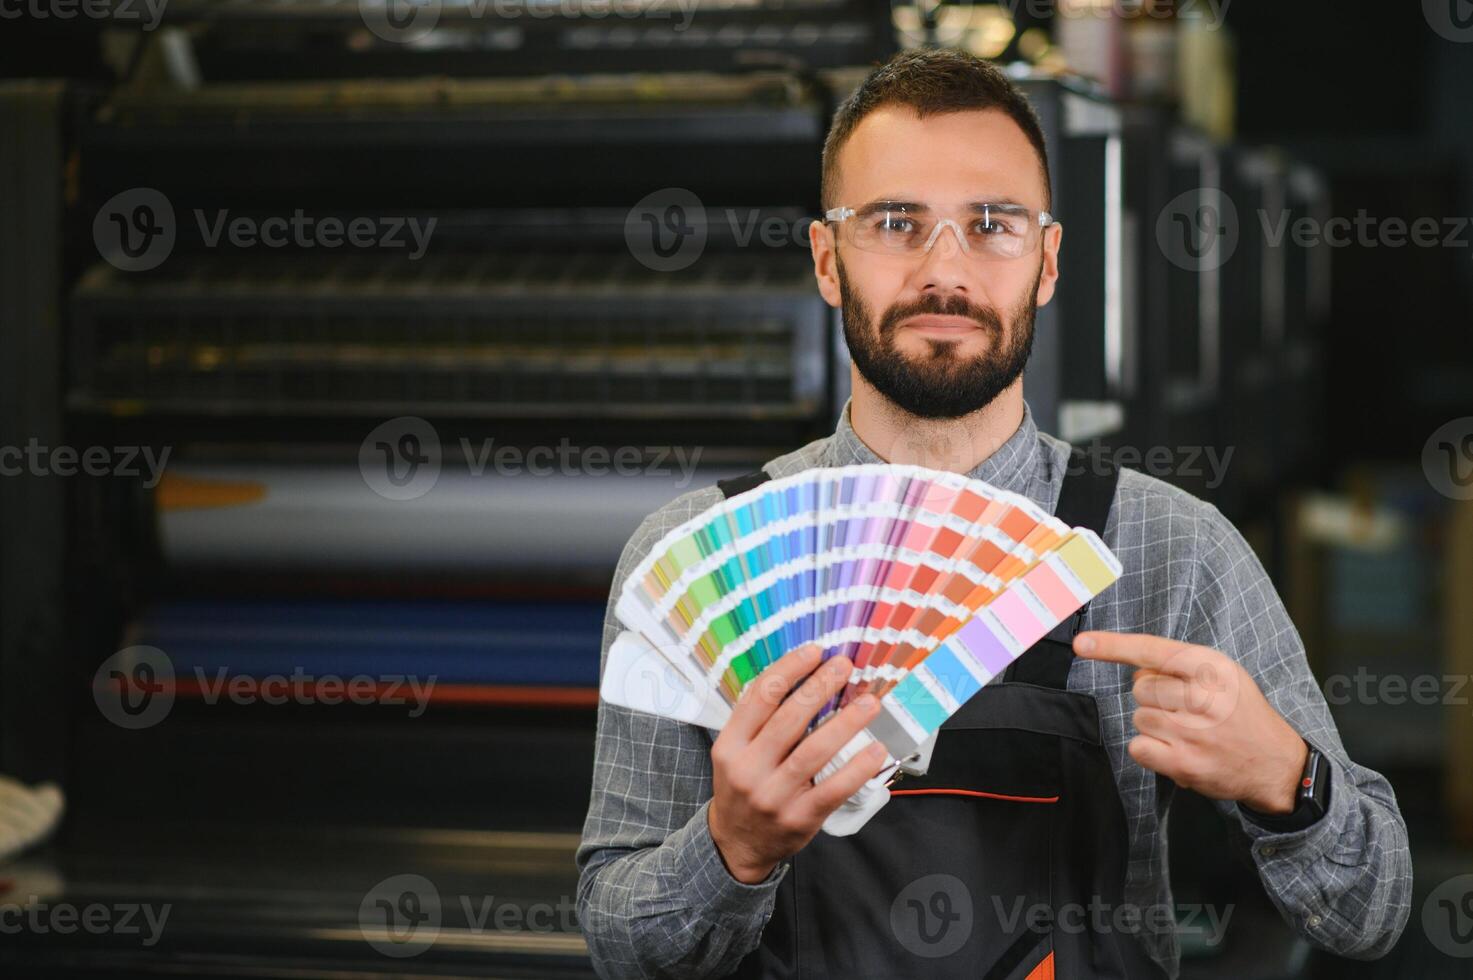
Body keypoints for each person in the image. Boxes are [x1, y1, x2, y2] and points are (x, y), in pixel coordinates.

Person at [576, 48, 1411, 979]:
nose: (945, 272)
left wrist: (1286, 783)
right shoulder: (697, 562)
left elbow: (1369, 914)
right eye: (895, 222)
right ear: (825, 258)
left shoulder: (1173, 550)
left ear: (1047, 263)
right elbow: (622, 945)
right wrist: (731, 850)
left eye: (991, 225)